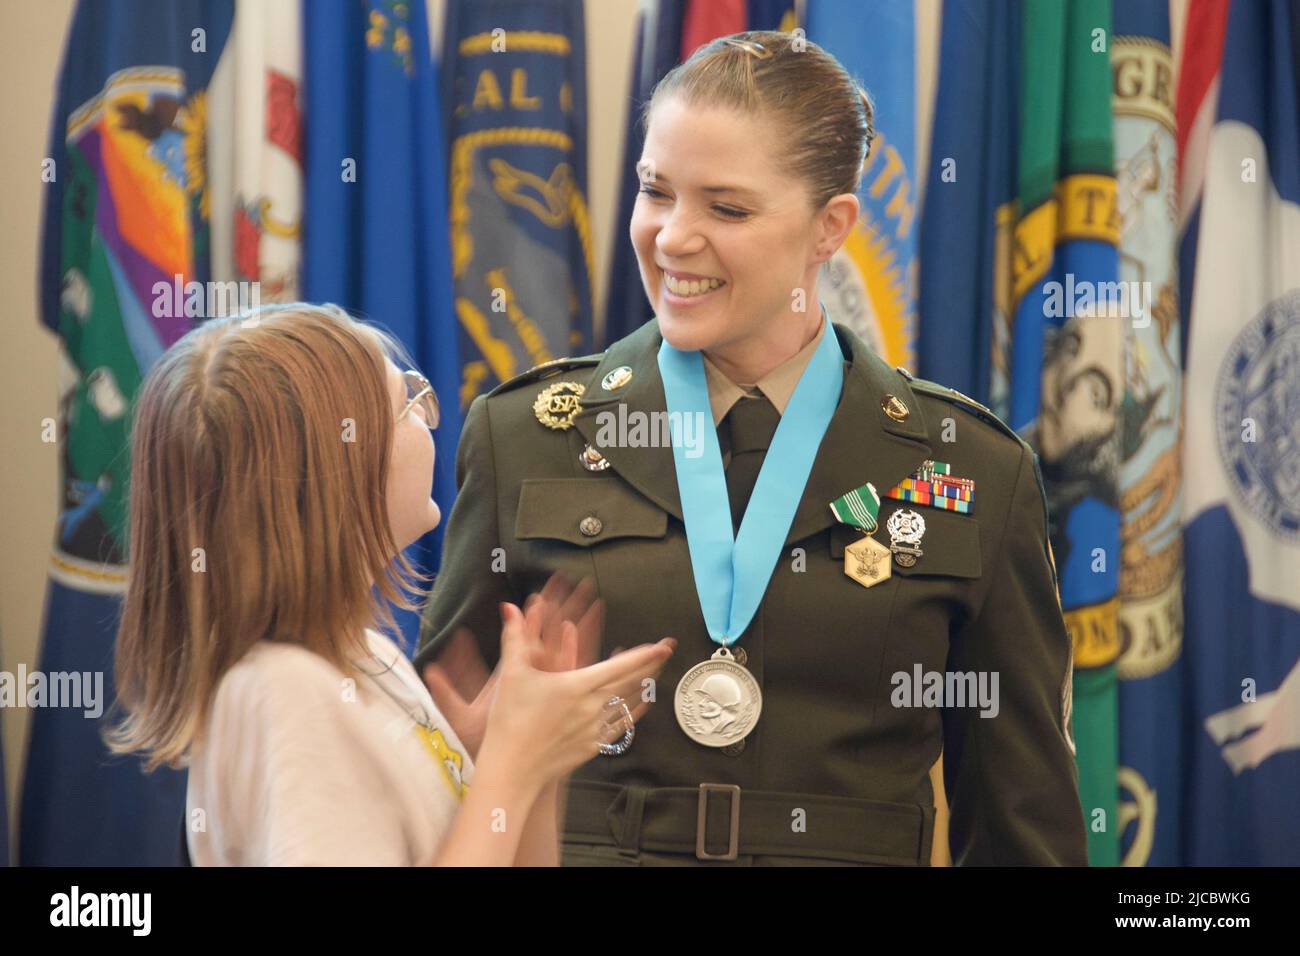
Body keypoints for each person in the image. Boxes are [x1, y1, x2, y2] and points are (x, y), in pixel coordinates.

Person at [417, 31, 1088, 866]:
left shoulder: (971, 468)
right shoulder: (524, 435)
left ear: (829, 227)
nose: (672, 238)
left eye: (725, 208)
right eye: (655, 192)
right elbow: (435, 775)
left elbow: (1027, 826)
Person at [107, 302, 673, 866]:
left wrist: (529, 763)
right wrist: (511, 764)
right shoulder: (284, 692)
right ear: (335, 472)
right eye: (407, 405)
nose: (430, 420)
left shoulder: (365, 656)